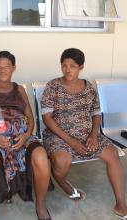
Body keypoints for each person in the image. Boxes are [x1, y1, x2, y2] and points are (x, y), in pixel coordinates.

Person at [41, 48, 127, 219]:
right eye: (64, 65)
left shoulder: (88, 87)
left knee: (112, 155)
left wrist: (94, 135)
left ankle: (121, 204)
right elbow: (47, 118)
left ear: (81, 67)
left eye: (72, 66)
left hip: (88, 134)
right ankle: (65, 185)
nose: (67, 69)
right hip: (59, 135)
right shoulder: (53, 86)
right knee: (61, 161)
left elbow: (96, 113)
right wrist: (71, 141)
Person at [0, 51, 51, 220]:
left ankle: (40, 206)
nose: (2, 70)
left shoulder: (19, 89)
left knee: (41, 156)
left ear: (14, 68)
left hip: (21, 138)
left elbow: (31, 118)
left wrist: (25, 136)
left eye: (6, 67)